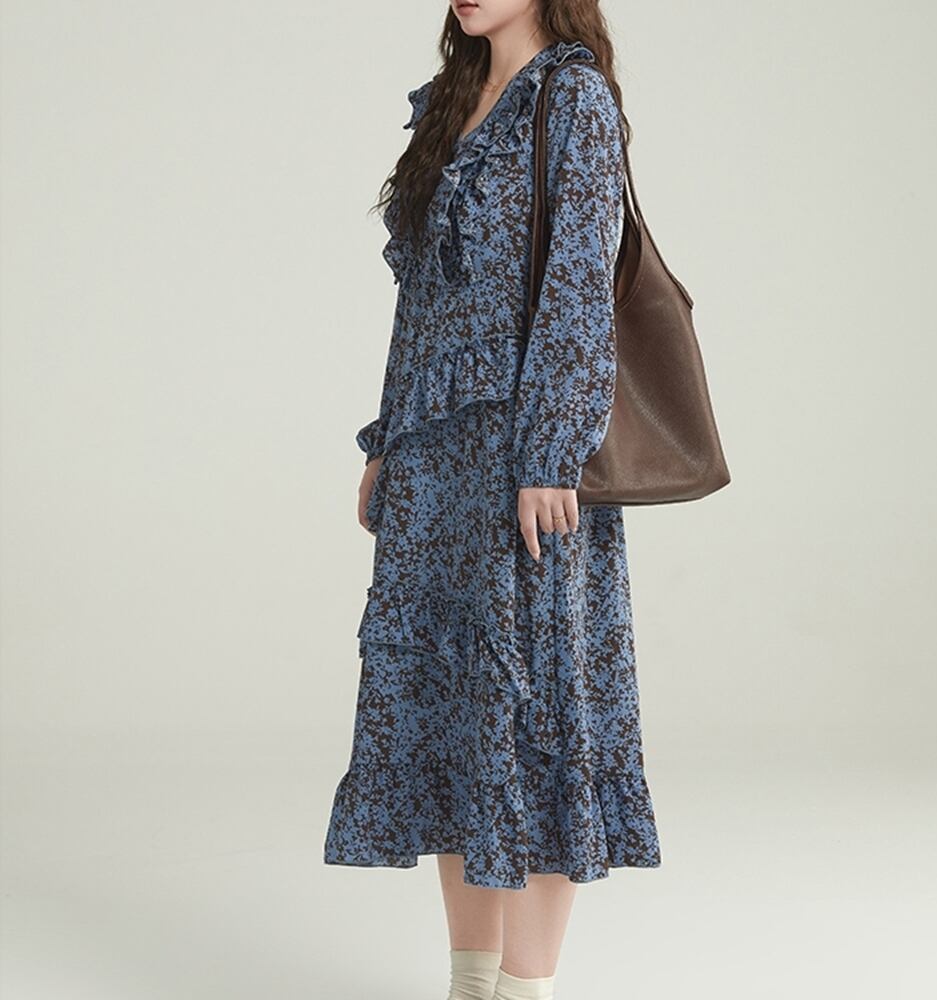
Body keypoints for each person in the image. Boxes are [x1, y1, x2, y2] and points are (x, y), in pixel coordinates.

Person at [323, 3, 661, 997]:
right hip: (435, 456)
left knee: (537, 712)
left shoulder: (573, 97)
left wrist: (550, 453)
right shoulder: (454, 97)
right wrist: (389, 437)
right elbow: (421, 300)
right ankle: (471, 982)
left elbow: (578, 287)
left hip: (526, 454)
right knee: (453, 713)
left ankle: (525, 988)